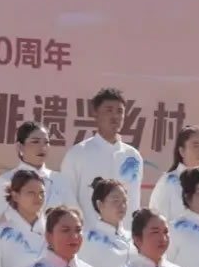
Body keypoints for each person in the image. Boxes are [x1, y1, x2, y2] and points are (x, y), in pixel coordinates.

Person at [61, 88, 143, 226]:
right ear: (96, 114)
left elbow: (134, 200)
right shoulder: (78, 153)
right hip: (88, 234)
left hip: (125, 235)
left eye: (119, 111)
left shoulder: (133, 156)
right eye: (109, 110)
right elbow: (67, 197)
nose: (115, 116)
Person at [0, 121, 71, 237]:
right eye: (35, 142)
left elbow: (76, 220)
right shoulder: (7, 181)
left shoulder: (60, 180)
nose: (42, 147)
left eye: (46, 142)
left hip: (53, 247)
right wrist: (14, 235)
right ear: (20, 146)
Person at [79, 177, 135, 267]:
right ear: (100, 204)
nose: (122, 205)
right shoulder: (87, 240)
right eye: (116, 200)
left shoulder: (134, 238)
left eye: (125, 200)